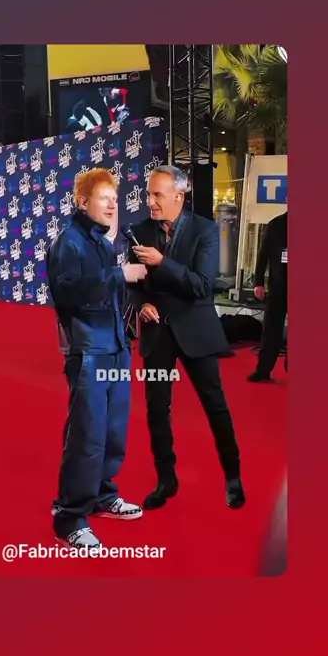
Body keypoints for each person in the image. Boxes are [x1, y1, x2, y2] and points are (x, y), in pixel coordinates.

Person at [127, 165, 245, 510]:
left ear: (179, 196)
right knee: (156, 410)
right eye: (148, 194)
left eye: (157, 195)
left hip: (196, 331)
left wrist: (162, 262)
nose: (150, 201)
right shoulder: (139, 231)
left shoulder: (205, 230)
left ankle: (233, 477)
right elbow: (133, 281)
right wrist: (142, 303)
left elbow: (202, 286)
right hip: (157, 335)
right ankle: (166, 480)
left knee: (215, 406)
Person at [46, 168, 147, 550]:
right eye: (104, 198)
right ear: (83, 201)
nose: (112, 205)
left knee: (112, 432)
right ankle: (70, 517)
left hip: (116, 348)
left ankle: (103, 496)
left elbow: (112, 294)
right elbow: (67, 295)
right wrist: (119, 275)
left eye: (115, 199)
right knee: (87, 434)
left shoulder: (102, 243)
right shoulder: (68, 243)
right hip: (88, 352)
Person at [247, 211, 287, 382]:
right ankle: (263, 370)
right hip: (278, 286)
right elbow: (263, 255)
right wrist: (258, 282)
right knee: (271, 329)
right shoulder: (275, 225)